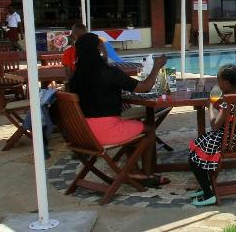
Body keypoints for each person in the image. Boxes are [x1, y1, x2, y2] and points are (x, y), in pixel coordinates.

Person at [67, 33, 169, 184]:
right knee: (149, 129)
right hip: (103, 132)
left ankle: (134, 171)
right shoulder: (110, 73)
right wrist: (156, 66)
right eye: (101, 45)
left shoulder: (75, 77)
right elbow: (145, 87)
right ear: (98, 48)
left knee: (131, 124)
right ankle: (145, 175)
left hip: (82, 133)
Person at [187, 64, 236, 207]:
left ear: (226, 83)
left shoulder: (228, 102)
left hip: (226, 140)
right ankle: (206, 186)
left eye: (219, 81)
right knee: (200, 147)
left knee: (193, 157)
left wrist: (210, 107)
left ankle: (208, 193)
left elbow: (215, 126)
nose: (217, 84)